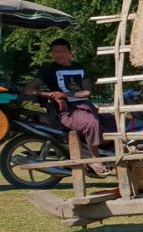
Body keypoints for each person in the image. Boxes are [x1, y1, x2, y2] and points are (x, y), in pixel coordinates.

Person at [23, 38, 117, 175]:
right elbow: (29, 89)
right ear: (51, 54)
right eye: (55, 51)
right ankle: (95, 158)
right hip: (65, 111)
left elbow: (87, 91)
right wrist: (50, 95)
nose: (59, 54)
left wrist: (64, 95)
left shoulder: (79, 67)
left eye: (63, 51)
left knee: (114, 121)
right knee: (91, 124)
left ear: (70, 53)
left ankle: (110, 153)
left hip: (86, 106)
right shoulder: (48, 69)